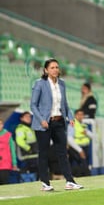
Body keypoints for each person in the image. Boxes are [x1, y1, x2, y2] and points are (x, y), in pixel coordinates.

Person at [30, 58, 83, 191]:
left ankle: (70, 181)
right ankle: (45, 183)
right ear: (46, 70)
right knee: (44, 153)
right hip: (44, 124)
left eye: (57, 67)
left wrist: (70, 117)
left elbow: (65, 104)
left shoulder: (62, 84)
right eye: (52, 67)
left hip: (59, 122)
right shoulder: (39, 84)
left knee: (63, 153)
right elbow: (33, 105)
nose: (55, 70)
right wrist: (41, 119)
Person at [67, 109, 93, 177]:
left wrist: (87, 132)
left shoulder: (83, 124)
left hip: (85, 147)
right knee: (81, 166)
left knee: (83, 166)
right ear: (75, 115)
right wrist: (79, 150)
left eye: (82, 115)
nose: (81, 116)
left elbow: (92, 136)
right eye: (79, 114)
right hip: (76, 148)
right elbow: (69, 139)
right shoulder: (73, 124)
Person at [15, 111, 38, 181]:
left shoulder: (30, 128)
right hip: (26, 156)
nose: (29, 118)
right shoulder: (21, 128)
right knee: (26, 175)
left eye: (29, 117)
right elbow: (20, 141)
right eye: (26, 117)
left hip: (34, 155)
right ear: (21, 119)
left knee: (35, 174)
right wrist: (29, 149)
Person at [0, 119, 18, 185]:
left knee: (4, 183)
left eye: (0, 124)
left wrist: (14, 163)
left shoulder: (8, 135)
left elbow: (12, 150)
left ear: (3, 125)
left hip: (5, 163)